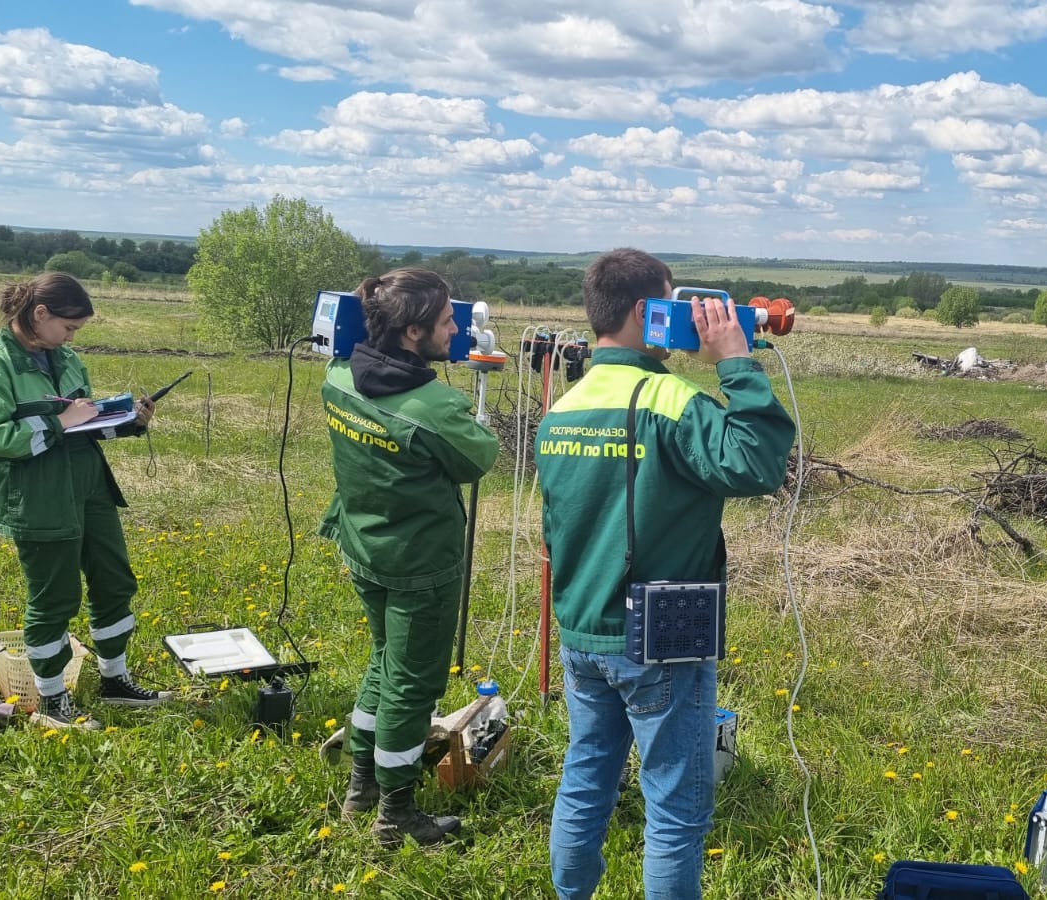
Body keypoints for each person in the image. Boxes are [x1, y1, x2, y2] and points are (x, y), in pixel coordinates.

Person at [538, 248, 796, 900]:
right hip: (660, 637)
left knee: (587, 773)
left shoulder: (563, 409)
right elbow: (759, 463)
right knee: (676, 809)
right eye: (672, 304)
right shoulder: (670, 400)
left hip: (582, 632)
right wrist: (735, 360)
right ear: (642, 312)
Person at [318, 267, 499, 848]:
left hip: (364, 545)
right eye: (448, 320)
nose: (458, 328)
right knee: (411, 685)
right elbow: (479, 460)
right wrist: (473, 405)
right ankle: (396, 814)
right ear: (415, 333)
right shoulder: (431, 405)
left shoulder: (339, 376)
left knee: (382, 662)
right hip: (420, 563)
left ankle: (361, 785)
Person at [0, 272, 170, 731]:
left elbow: (83, 423)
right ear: (39, 314)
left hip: (89, 487)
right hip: (38, 498)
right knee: (55, 598)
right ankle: (52, 704)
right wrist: (59, 423)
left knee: (115, 582)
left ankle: (116, 681)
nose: (72, 337)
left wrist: (130, 420)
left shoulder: (65, 357)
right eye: (69, 327)